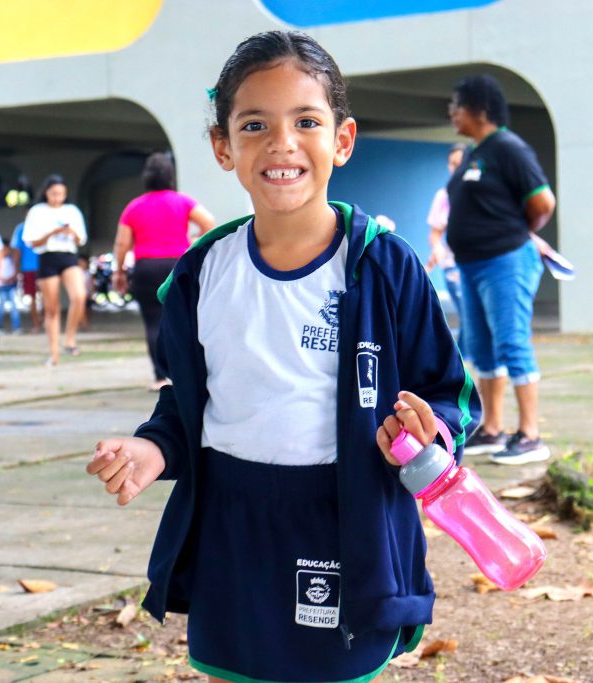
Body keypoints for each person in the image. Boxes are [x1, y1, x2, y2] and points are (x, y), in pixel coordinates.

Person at [87, 31, 481, 683]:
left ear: (342, 140)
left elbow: (449, 392)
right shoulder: (201, 273)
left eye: (306, 121)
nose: (282, 143)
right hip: (232, 525)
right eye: (254, 125)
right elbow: (188, 400)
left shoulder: (384, 265)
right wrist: (154, 448)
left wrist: (427, 432)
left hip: (342, 521)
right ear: (223, 146)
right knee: (236, 670)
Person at [445, 74, 556, 465]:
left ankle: (531, 435)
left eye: (456, 105)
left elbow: (543, 202)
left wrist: (518, 232)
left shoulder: (509, 148)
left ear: (479, 109)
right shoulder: (475, 152)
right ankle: (492, 429)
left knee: (511, 342)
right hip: (472, 265)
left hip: (505, 260)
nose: (451, 112)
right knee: (482, 348)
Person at [112, 151, 215, 391]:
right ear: (170, 176)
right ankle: (187, 375)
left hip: (146, 268)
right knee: (185, 320)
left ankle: (160, 378)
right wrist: (193, 243)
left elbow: (122, 243)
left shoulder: (134, 207)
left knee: (153, 323)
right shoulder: (183, 201)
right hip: (177, 266)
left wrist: (119, 272)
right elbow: (209, 223)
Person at [22, 175, 87, 366]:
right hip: (47, 257)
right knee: (52, 308)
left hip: (68, 256)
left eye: (61, 194)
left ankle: (70, 339)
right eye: (53, 193)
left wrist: (70, 232)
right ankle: (54, 352)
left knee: (79, 296)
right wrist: (52, 233)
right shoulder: (37, 211)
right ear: (46, 193)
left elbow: (80, 240)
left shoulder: (72, 211)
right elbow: (32, 242)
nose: (57, 197)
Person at [425, 143, 469, 360]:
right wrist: (437, 248)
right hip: (454, 267)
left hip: (481, 264)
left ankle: (463, 362)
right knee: (467, 314)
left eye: (460, 163)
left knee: (477, 318)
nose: (455, 168)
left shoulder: (482, 194)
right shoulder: (443, 197)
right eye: (452, 164)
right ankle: (461, 362)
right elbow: (435, 233)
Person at [11, 221, 40, 333]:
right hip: (31, 268)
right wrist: (16, 269)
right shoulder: (21, 228)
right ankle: (37, 323)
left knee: (35, 297)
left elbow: (16, 250)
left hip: (36, 267)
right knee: (34, 297)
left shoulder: (21, 228)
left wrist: (16, 269)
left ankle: (38, 324)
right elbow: (17, 250)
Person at [0, 238, 21, 333]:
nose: (6, 251)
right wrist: (2, 279)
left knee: (14, 307)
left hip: (11, 285)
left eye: (7, 249)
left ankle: (16, 327)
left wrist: (11, 278)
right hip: (1, 286)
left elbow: (16, 271)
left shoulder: (12, 259)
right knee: (0, 307)